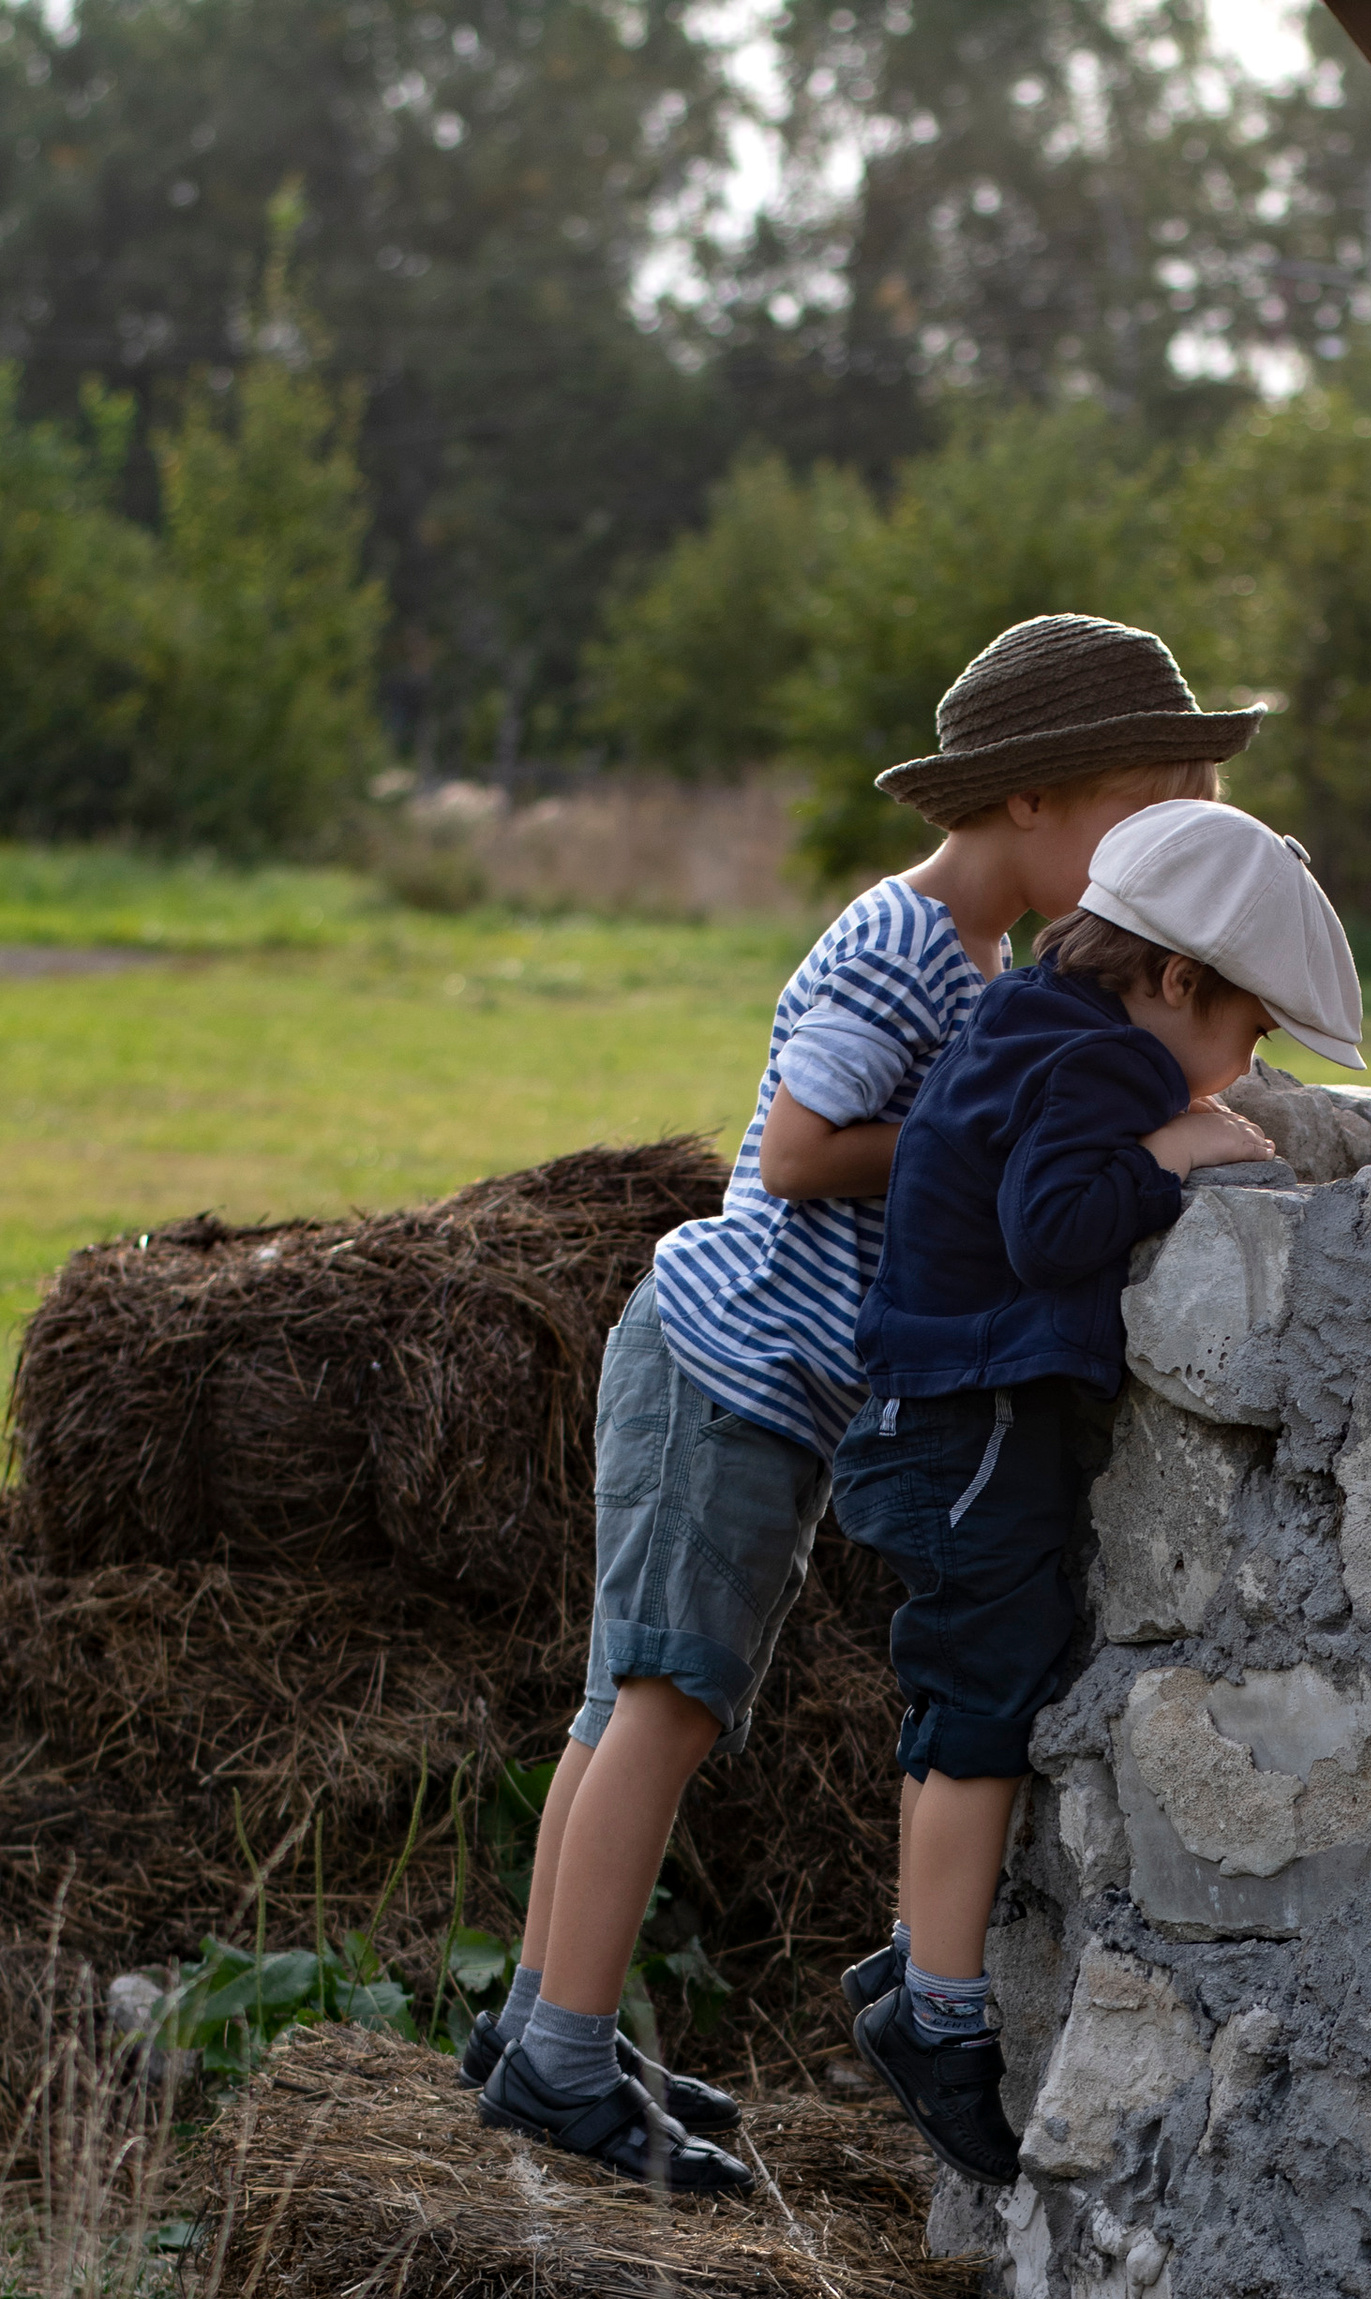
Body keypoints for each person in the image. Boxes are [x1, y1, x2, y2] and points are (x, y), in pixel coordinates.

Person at [466, 616, 1262, 2191]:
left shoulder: (984, 959)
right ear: (1032, 802)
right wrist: (983, 1143)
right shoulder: (908, 943)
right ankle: (559, 2058)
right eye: (1143, 811)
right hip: (735, 1361)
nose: (1155, 857)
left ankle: (542, 2027)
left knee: (633, 1696)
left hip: (759, 1377)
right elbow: (796, 1147)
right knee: (665, 1700)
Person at [833, 798, 1364, 2188]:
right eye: (1249, 1037)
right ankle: (938, 2015)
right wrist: (1167, 1154)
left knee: (965, 1695)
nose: (1242, 1073)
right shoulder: (1105, 1071)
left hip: (936, 1420)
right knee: (982, 1707)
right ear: (1177, 982)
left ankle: (912, 1968)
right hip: (976, 1425)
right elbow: (1048, 1225)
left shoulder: (1031, 1019)